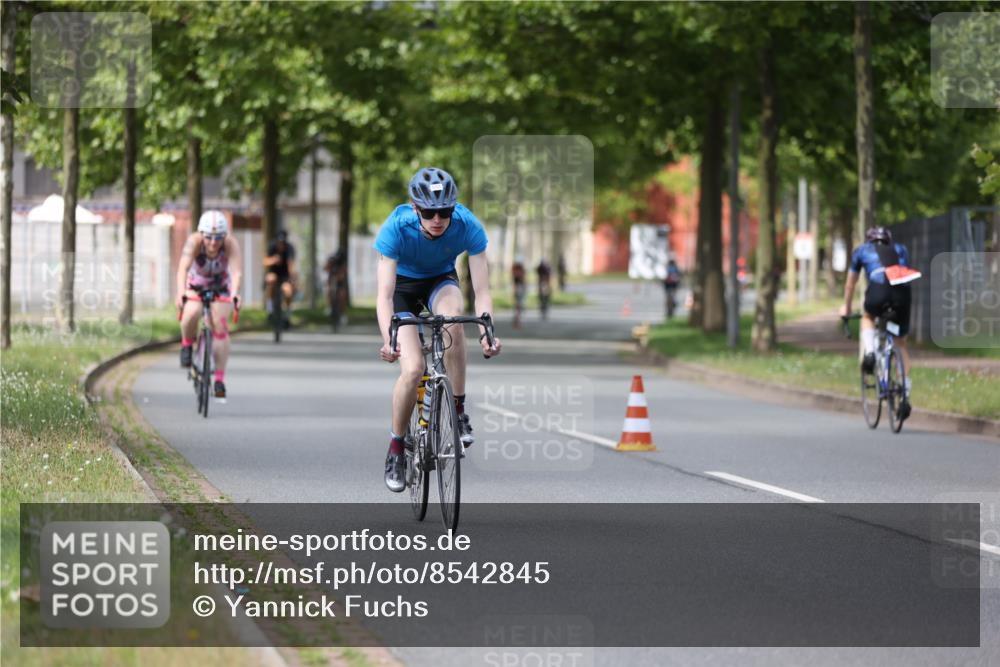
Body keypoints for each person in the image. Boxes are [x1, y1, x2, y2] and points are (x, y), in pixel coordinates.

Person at [375, 166, 502, 493]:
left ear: (453, 209)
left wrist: (488, 330)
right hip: (402, 288)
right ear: (415, 208)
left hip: (439, 282)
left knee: (454, 323)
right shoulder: (396, 227)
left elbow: (482, 291)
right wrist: (388, 339)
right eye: (429, 212)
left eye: (444, 211)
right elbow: (384, 295)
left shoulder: (467, 225)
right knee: (414, 368)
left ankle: (458, 411)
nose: (437, 219)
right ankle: (395, 448)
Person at [839, 226, 921, 414]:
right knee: (900, 344)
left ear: (869, 240)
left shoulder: (861, 251)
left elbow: (850, 284)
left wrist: (847, 307)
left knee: (867, 316)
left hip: (877, 291)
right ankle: (905, 393)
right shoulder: (900, 249)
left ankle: (869, 352)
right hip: (902, 294)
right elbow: (903, 271)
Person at [176, 210, 242, 398]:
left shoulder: (230, 244)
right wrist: (181, 292)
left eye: (218, 237)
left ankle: (219, 380)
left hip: (221, 286)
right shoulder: (194, 242)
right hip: (196, 284)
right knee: (191, 312)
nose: (213, 242)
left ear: (224, 236)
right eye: (209, 237)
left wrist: (236, 293)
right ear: (201, 234)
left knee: (220, 325)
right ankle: (187, 344)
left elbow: (236, 272)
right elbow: (183, 268)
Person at [264, 230, 297, 327]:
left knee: (288, 291)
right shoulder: (272, 247)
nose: (280, 245)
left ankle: (287, 315)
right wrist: (273, 260)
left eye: (282, 243)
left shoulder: (289, 248)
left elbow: (291, 264)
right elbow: (265, 261)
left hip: (285, 275)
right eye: (279, 243)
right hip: (273, 273)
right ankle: (270, 310)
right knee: (270, 281)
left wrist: (292, 279)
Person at [324, 248, 348, 328]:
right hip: (331, 279)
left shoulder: (343, 263)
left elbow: (343, 274)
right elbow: (325, 268)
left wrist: (340, 276)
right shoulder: (332, 259)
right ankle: (329, 307)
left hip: (339, 281)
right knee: (329, 290)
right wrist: (329, 266)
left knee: (342, 295)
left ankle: (342, 313)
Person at [511, 257, 527, 329]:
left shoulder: (515, 269)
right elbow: (523, 279)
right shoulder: (519, 269)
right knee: (518, 306)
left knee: (518, 306)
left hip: (518, 288)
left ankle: (517, 321)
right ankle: (517, 321)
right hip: (519, 288)